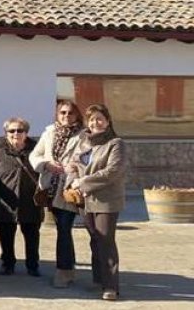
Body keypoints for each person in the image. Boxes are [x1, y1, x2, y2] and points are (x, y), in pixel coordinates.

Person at [67, 104, 126, 301]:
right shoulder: (84, 142)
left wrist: (83, 182)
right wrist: (72, 183)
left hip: (106, 200)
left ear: (108, 121)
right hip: (85, 200)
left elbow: (112, 172)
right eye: (92, 119)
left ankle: (111, 287)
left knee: (106, 241)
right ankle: (99, 278)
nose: (95, 122)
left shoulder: (116, 143)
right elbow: (74, 165)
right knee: (95, 239)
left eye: (100, 118)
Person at [29, 99, 84, 289]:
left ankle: (63, 271)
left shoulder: (84, 135)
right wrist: (46, 165)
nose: (66, 116)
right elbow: (34, 155)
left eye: (70, 113)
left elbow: (90, 158)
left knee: (63, 227)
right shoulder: (49, 132)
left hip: (70, 188)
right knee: (63, 229)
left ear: (77, 115)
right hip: (50, 189)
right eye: (62, 113)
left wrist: (75, 167)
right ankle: (69, 267)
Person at [0, 116, 42, 277]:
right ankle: (7, 264)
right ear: (6, 133)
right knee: (6, 234)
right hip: (5, 200)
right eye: (12, 130)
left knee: (32, 235)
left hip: (30, 199)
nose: (16, 133)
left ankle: (32, 265)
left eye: (20, 130)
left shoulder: (37, 148)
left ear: (26, 133)